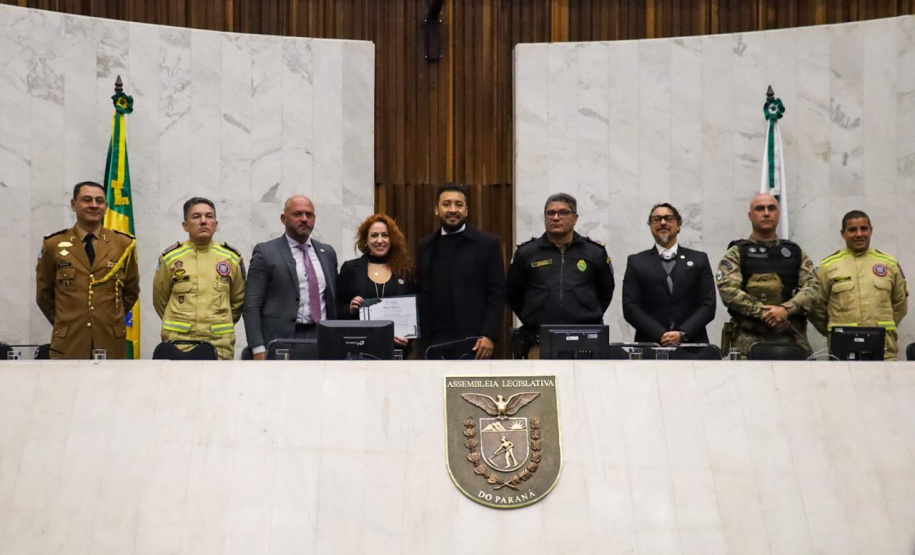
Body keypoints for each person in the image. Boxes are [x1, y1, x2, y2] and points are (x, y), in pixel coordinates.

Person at [36, 180, 140, 359]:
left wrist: (107, 319)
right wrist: (66, 322)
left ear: (106, 207)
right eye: (87, 200)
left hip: (110, 340)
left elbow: (131, 291)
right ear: (73, 204)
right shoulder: (53, 244)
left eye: (99, 201)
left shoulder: (123, 244)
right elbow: (44, 295)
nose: (93, 205)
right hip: (69, 341)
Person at [506, 193, 614, 358]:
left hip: (586, 339)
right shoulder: (527, 253)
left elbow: (605, 291)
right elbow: (514, 294)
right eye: (550, 213)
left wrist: (585, 313)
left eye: (563, 213)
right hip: (538, 340)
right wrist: (534, 315)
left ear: (575, 218)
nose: (556, 217)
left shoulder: (594, 252)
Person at [717, 193, 819, 358]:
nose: (766, 213)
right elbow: (727, 290)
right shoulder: (737, 252)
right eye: (760, 209)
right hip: (747, 342)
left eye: (771, 208)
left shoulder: (795, 252)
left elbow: (813, 287)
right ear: (750, 216)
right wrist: (763, 312)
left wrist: (786, 310)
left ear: (778, 214)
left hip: (792, 339)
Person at [416, 183, 506, 359]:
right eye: (446, 204)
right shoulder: (425, 246)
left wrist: (489, 335)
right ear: (436, 209)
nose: (452, 209)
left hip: (475, 342)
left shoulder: (487, 245)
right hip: (434, 341)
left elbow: (497, 294)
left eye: (458, 204)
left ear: (466, 210)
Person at [243, 196, 338, 360]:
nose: (304, 219)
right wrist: (258, 348)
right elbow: (251, 304)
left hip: (321, 337)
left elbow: (332, 300)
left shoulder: (327, 252)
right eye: (297, 214)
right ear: (283, 218)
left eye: (309, 215)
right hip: (281, 340)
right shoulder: (266, 252)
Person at [152, 197, 246, 360]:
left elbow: (237, 302)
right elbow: (160, 299)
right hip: (179, 345)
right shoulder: (171, 258)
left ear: (215, 224)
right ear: (185, 225)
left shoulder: (231, 258)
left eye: (209, 216)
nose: (203, 221)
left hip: (219, 345)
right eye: (196, 217)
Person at [809, 210, 908, 359]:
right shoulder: (827, 266)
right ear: (843, 233)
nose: (859, 234)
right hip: (843, 349)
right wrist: (833, 332)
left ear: (871, 230)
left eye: (864, 228)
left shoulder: (889, 264)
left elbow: (900, 304)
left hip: (884, 350)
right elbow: (815, 307)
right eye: (852, 230)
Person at [623, 203, 716, 346]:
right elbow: (631, 307)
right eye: (656, 219)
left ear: (678, 225)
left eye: (669, 218)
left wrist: (682, 334)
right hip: (651, 344)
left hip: (692, 345)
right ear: (650, 226)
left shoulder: (699, 259)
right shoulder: (636, 262)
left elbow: (708, 305)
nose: (662, 222)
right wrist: (660, 335)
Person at [337, 214, 417, 348]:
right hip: (359, 346)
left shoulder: (406, 271)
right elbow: (336, 308)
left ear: (392, 239)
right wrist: (350, 309)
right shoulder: (350, 269)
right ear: (365, 240)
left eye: (385, 235)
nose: (380, 240)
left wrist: (409, 337)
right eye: (374, 235)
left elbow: (415, 310)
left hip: (396, 349)